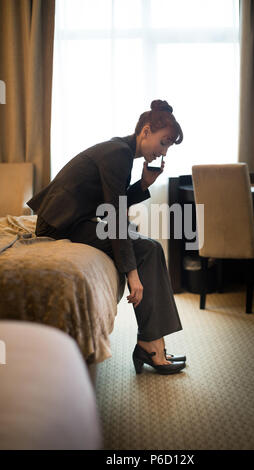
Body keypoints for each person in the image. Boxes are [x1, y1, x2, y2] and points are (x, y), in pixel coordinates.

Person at [27, 99, 186, 375]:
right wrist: (132, 273)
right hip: (61, 224)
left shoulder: (121, 151)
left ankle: (152, 342)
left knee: (148, 246)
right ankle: (150, 345)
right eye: (163, 143)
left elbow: (114, 204)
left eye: (168, 146)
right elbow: (113, 215)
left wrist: (144, 184)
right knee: (147, 249)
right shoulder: (118, 154)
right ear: (146, 131)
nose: (163, 151)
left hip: (78, 219)